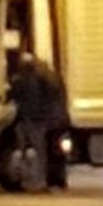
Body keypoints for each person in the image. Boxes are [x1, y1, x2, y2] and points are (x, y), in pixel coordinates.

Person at [9, 53, 69, 191]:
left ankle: (36, 181)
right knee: (54, 152)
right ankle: (56, 181)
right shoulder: (52, 78)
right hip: (56, 120)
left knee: (37, 152)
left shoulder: (26, 80)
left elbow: (20, 99)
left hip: (35, 121)